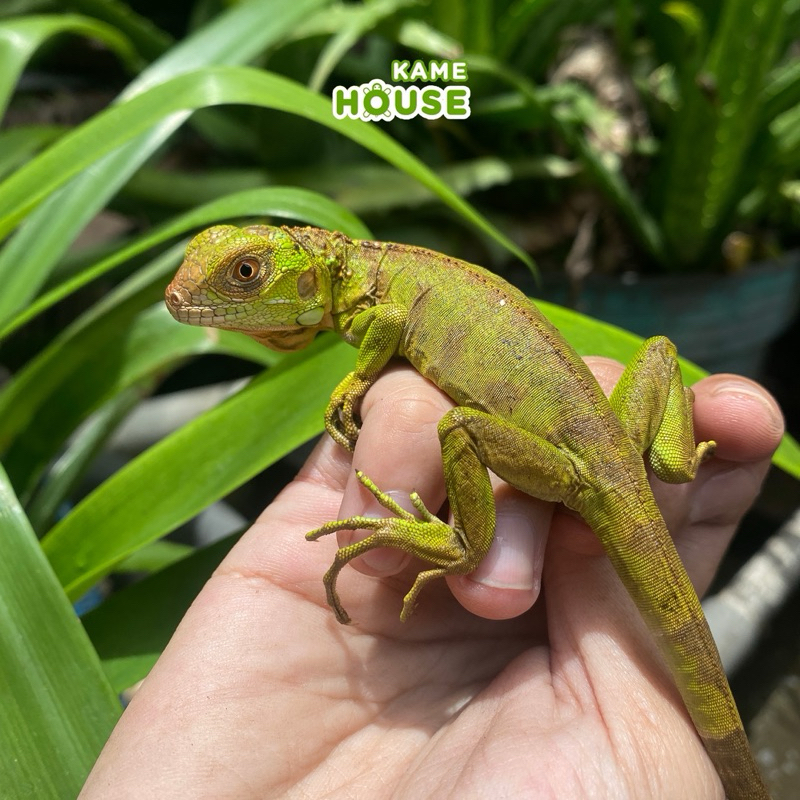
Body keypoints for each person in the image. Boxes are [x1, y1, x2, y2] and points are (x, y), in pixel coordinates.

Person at [79, 357, 784, 798]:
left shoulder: (379, 318)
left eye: (247, 276)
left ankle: (461, 544)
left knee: (463, 431)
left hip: (585, 472)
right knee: (656, 354)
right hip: (603, 462)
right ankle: (667, 459)